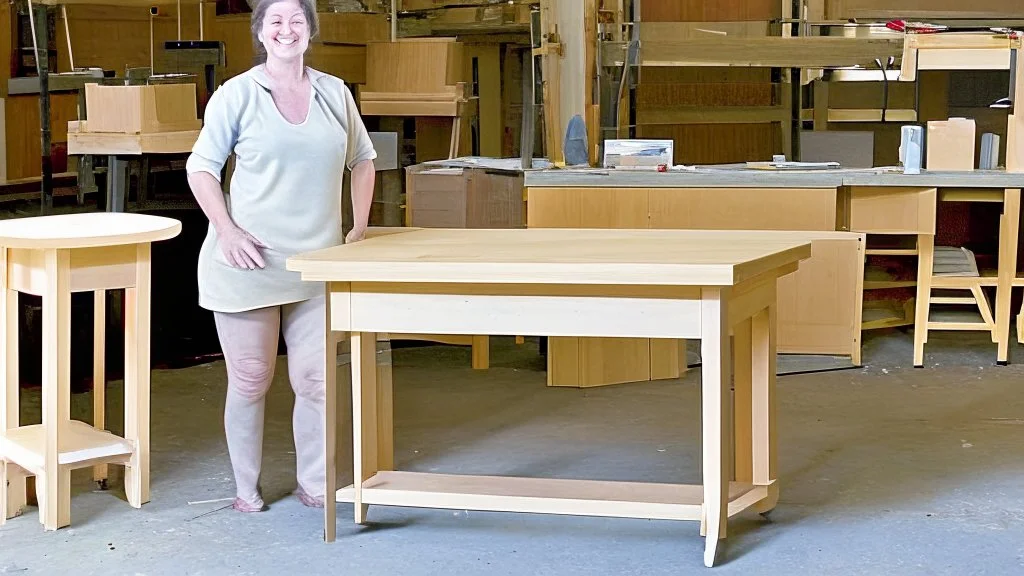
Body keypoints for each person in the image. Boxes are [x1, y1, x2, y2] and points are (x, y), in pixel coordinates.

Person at [185, 0, 376, 512]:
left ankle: (314, 482)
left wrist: (358, 227)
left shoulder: (335, 93)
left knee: (315, 380)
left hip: (317, 264)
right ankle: (245, 487)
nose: (287, 29)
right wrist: (225, 229)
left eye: (297, 20)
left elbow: (363, 160)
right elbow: (201, 168)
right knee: (250, 377)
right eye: (276, 21)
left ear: (310, 31)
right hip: (248, 263)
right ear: (261, 34)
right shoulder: (237, 96)